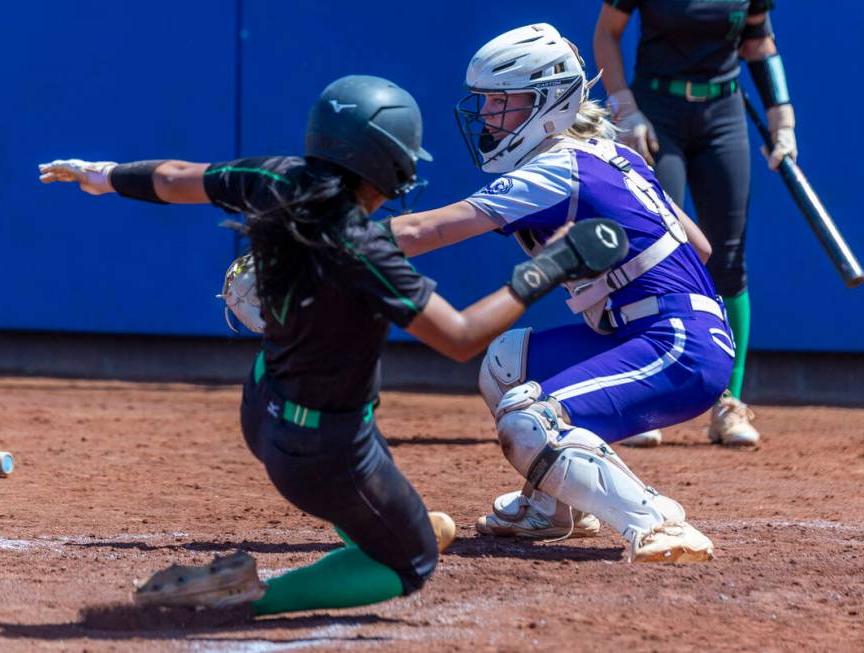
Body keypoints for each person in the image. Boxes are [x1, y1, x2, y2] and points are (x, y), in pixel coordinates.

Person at [38, 75, 631, 615]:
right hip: (322, 454)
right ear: (387, 164)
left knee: (376, 478)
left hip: (263, 411)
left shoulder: (274, 178)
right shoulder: (363, 247)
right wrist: (553, 264)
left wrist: (105, 175)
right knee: (410, 561)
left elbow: (171, 178)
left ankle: (381, 520)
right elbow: (459, 338)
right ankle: (247, 598)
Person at [389, 23, 729, 549]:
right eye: (486, 102)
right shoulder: (611, 154)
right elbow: (700, 249)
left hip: (677, 347)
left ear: (548, 103)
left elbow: (421, 231)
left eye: (503, 102)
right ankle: (552, 507)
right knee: (507, 365)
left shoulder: (556, 168)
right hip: (665, 332)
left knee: (529, 420)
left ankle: (659, 523)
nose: (487, 116)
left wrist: (316, 233)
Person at [594, 0, 793, 447]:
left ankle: (728, 404)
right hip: (655, 112)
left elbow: (759, 42)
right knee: (651, 254)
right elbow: (606, 33)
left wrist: (783, 116)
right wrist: (624, 108)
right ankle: (637, 402)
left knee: (727, 256)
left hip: (722, 115)